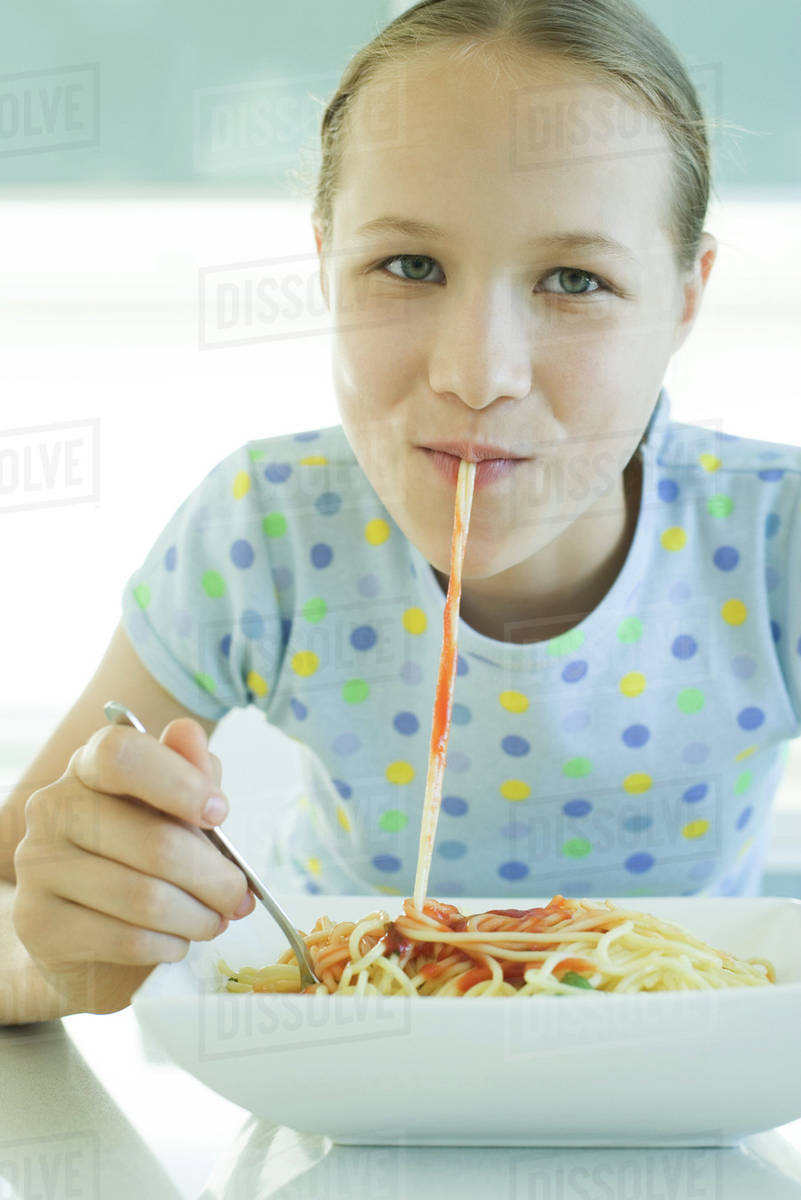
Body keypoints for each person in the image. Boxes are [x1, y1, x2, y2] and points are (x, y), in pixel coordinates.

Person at [2, 0, 794, 1022]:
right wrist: (64, 958)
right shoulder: (269, 531)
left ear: (688, 295)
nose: (476, 374)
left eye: (574, 280)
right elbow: (20, 895)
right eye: (409, 266)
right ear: (327, 259)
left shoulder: (775, 541)